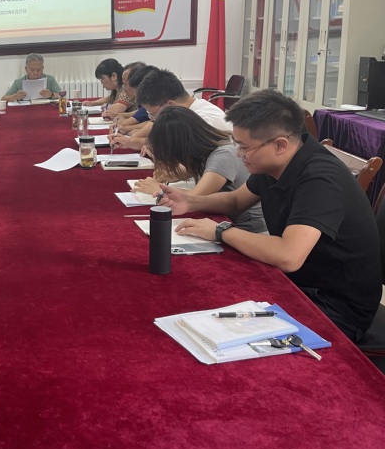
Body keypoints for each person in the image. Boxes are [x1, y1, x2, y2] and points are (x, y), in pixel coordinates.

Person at [158, 90, 381, 342]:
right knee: (200, 292)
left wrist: (221, 231)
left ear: (280, 145)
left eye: (244, 147)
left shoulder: (319, 178)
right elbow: (236, 201)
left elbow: (288, 256)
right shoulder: (275, 163)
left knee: (213, 318)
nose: (239, 154)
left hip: (332, 305)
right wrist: (190, 200)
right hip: (299, 281)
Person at [133, 106, 266, 232]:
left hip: (245, 227)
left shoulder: (223, 155)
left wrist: (158, 189)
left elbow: (196, 197)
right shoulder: (206, 151)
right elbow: (187, 173)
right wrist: (172, 174)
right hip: (225, 220)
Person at [111, 68, 230, 151]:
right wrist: (129, 142)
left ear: (170, 105)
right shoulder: (188, 112)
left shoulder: (202, 120)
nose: (153, 120)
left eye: (153, 115)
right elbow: (166, 143)